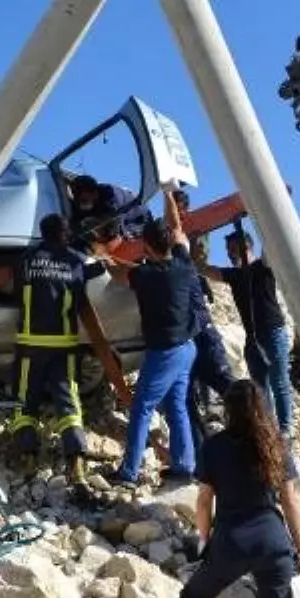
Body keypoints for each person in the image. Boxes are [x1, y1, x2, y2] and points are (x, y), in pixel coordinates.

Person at [158, 380, 300, 598]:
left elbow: (204, 502)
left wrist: (203, 540)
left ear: (228, 410)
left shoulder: (214, 446)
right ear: (262, 409)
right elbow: (291, 501)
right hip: (273, 544)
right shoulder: (276, 444)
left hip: (232, 543)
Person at [10, 213, 126, 499]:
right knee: (68, 402)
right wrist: (103, 262)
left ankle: (27, 456)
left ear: (42, 232)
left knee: (26, 402)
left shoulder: (25, 258)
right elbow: (94, 271)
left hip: (29, 345)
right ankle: (76, 462)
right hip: (62, 347)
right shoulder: (75, 260)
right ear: (64, 233)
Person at [102, 191, 198, 488]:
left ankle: (129, 472)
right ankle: (185, 465)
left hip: (166, 352)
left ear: (145, 246)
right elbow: (178, 228)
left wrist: (103, 257)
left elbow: (118, 274)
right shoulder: (183, 264)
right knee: (177, 406)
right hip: (187, 348)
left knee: (142, 406)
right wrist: (169, 194)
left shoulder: (145, 276)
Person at [197, 230, 296, 437]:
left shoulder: (263, 266)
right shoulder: (234, 275)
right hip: (252, 336)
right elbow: (207, 270)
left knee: (279, 383)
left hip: (273, 332)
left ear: (246, 247)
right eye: (228, 251)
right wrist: (195, 257)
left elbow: (272, 240)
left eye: (232, 250)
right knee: (260, 387)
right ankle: (268, 427)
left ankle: (286, 430)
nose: (230, 255)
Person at [169, 190, 235, 452]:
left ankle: (248, 432)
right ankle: (200, 455)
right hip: (187, 336)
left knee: (223, 384)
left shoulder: (187, 249)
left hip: (198, 331)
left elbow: (196, 253)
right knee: (185, 394)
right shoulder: (175, 257)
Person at [70, 174, 153, 245]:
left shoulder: (110, 198)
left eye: (84, 200)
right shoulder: (79, 203)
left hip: (137, 217)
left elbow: (115, 228)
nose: (80, 202)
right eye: (76, 196)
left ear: (95, 193)